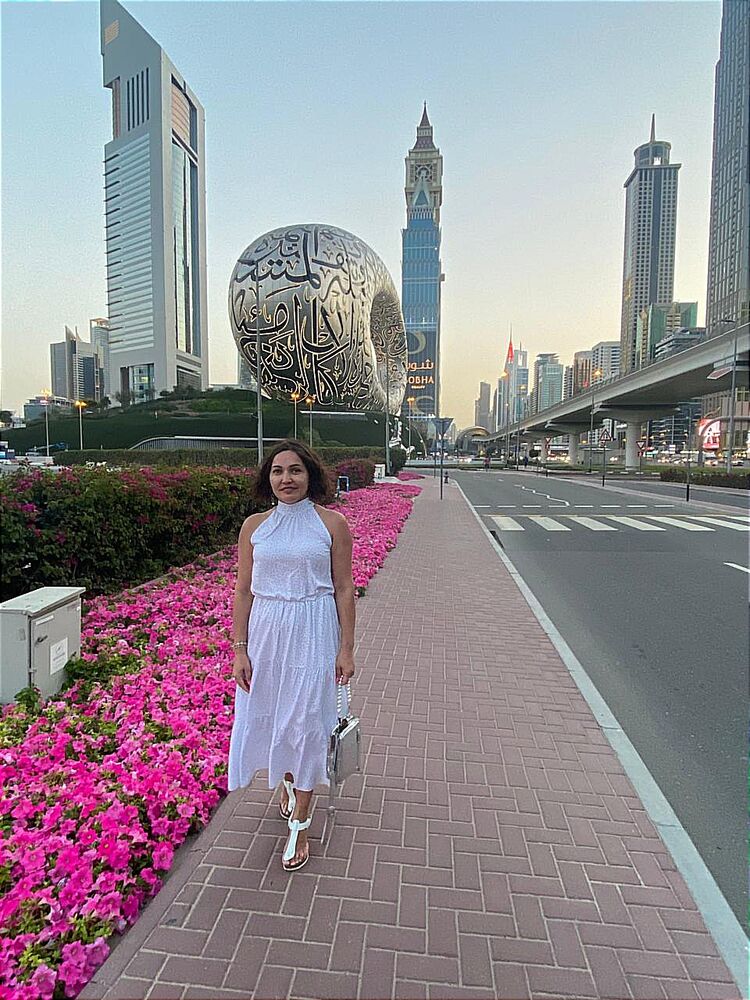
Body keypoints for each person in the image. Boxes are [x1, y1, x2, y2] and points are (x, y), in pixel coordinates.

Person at [227, 440, 356, 871]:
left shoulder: (332, 524)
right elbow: (243, 591)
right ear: (268, 478)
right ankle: (286, 778)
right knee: (272, 714)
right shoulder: (254, 527)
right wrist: (240, 649)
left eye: (295, 470)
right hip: (266, 633)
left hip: (314, 629)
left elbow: (344, 589)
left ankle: (301, 822)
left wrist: (346, 648)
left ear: (310, 475)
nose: (286, 478)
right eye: (278, 471)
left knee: (306, 721)